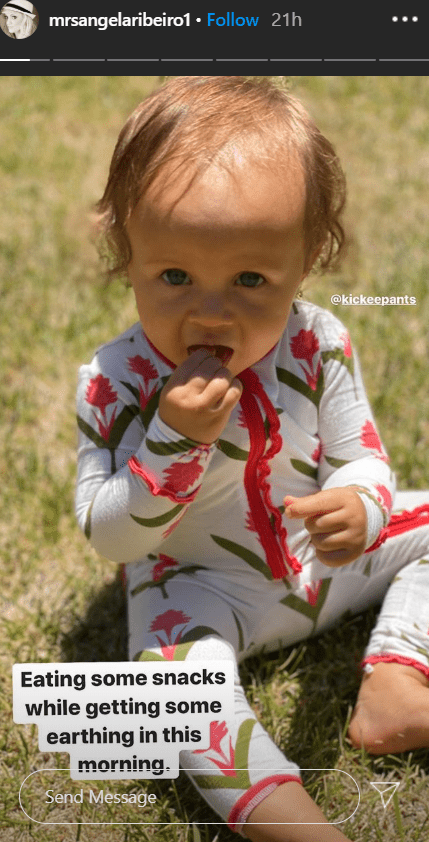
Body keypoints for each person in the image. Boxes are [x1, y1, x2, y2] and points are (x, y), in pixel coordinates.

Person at [75, 77, 429, 842]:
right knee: (173, 691)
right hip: (200, 594)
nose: (209, 311)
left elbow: (364, 458)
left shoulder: (317, 343)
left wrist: (362, 505)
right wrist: (170, 442)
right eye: (174, 277)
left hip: (325, 564)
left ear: (308, 259)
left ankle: (398, 676)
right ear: (125, 255)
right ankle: (297, 826)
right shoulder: (112, 383)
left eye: (249, 280)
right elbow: (109, 538)